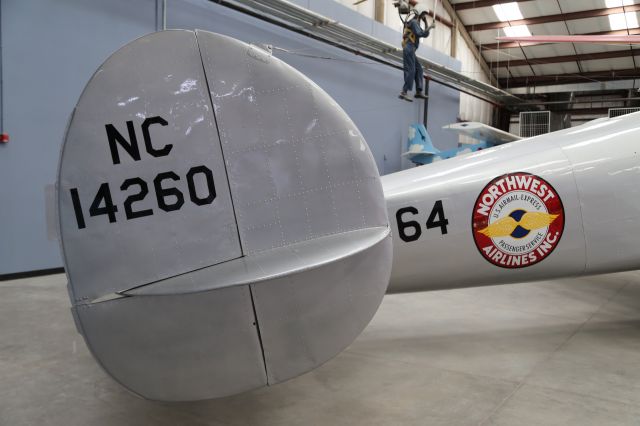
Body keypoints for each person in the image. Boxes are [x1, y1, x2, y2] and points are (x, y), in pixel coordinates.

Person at [399, 2, 435, 102]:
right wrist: (430, 27)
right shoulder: (414, 22)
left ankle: (418, 91)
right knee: (411, 70)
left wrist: (427, 23)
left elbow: (425, 34)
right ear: (420, 12)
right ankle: (404, 92)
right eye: (424, 14)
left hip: (411, 50)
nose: (424, 16)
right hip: (409, 48)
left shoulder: (416, 22)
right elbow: (421, 33)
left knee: (419, 69)